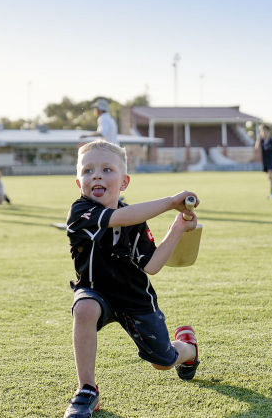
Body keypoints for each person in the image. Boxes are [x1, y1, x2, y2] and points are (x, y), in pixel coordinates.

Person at [63, 140, 201, 418]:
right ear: (79, 183)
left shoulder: (136, 219)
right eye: (88, 171)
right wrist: (170, 203)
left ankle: (188, 349)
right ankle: (86, 390)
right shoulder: (80, 213)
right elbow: (119, 217)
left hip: (135, 298)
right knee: (84, 308)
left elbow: (151, 265)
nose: (97, 175)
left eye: (106, 169)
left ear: (124, 182)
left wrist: (177, 228)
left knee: (164, 361)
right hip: (95, 292)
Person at [255, 124, 272, 199]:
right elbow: (256, 148)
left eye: (265, 131)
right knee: (269, 178)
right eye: (262, 131)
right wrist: (258, 140)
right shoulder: (261, 140)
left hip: (270, 161)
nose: (264, 133)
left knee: (270, 176)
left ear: (268, 132)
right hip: (264, 162)